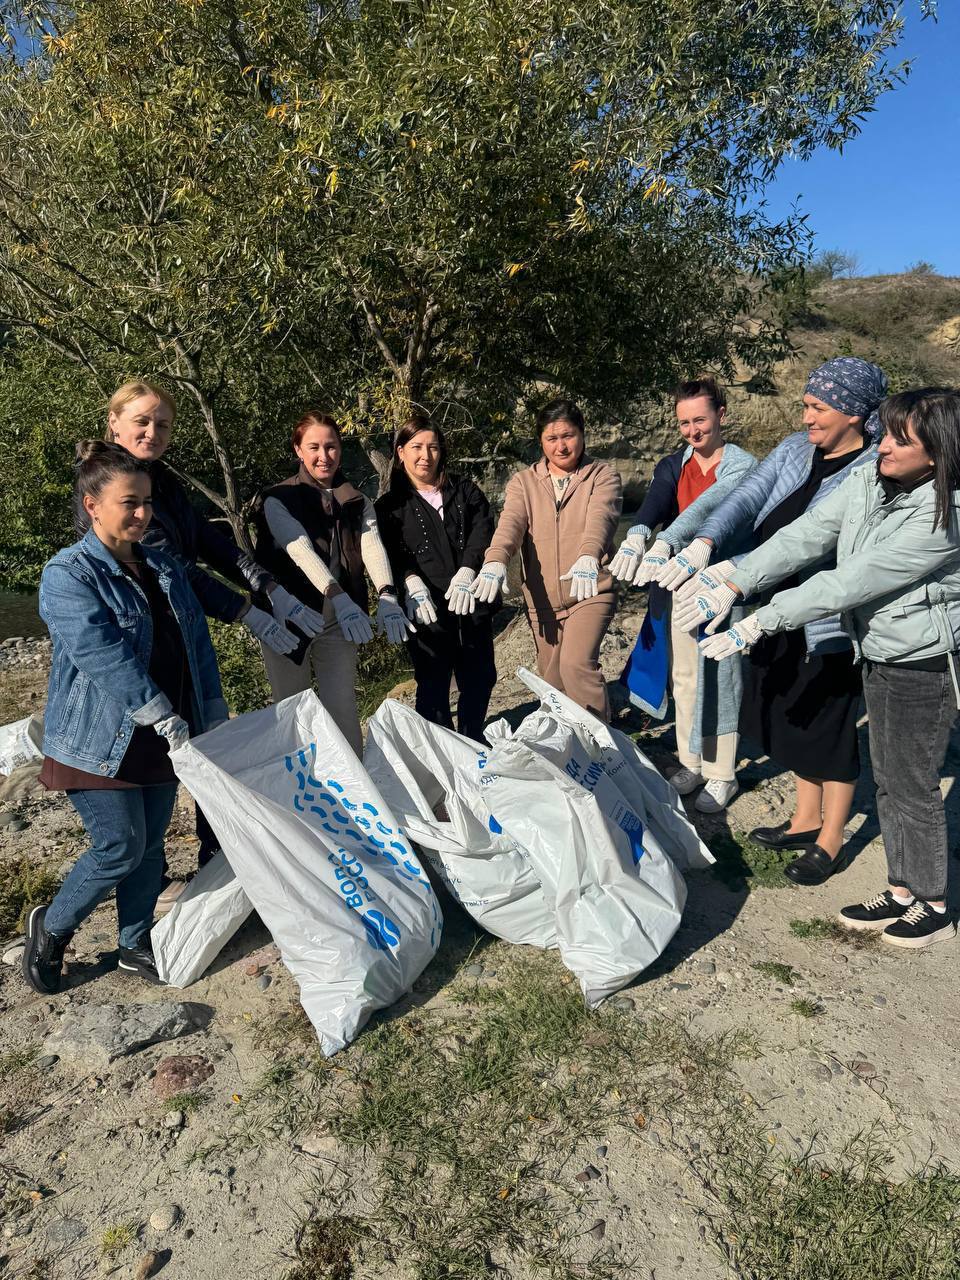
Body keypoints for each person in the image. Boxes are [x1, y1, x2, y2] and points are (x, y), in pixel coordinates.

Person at [699, 388, 960, 948]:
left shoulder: (945, 514)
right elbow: (807, 534)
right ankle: (901, 889)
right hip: (879, 650)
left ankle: (933, 904)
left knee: (912, 784)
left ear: (938, 452)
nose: (883, 446)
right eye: (886, 434)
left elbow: (854, 579)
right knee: (889, 779)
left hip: (923, 663)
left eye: (900, 440)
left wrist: (761, 620)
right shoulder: (873, 481)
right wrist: (737, 580)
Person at [671, 356, 888, 883]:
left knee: (830, 724)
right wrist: (705, 542)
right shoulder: (795, 449)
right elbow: (746, 496)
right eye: (806, 405)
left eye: (818, 408)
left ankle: (831, 839)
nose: (807, 417)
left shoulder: (871, 470)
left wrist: (737, 569)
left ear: (853, 413)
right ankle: (805, 817)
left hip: (826, 618)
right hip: (770, 606)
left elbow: (816, 543)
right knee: (793, 711)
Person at [22, 442, 226, 995]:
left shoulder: (163, 565)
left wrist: (210, 712)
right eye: (129, 503)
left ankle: (134, 942)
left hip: (166, 732)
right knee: (120, 845)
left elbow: (197, 646)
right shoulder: (68, 573)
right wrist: (158, 711)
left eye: (148, 502)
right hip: (98, 739)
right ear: (92, 505)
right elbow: (100, 652)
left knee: (152, 845)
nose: (142, 514)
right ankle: (52, 927)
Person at [107, 380, 323, 880]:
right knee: (152, 763)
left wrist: (267, 585)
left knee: (209, 744)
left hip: (183, 636)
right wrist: (247, 612)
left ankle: (217, 857)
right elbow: (171, 565)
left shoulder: (162, 480)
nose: (153, 432)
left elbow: (208, 540)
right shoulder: (110, 486)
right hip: (141, 643)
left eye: (163, 424)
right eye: (142, 421)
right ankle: (152, 881)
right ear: (114, 423)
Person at [610, 377, 756, 812]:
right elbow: (656, 500)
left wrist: (666, 541)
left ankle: (722, 772)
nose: (693, 430)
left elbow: (710, 510)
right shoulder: (675, 464)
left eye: (700, 420)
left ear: (721, 415)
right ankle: (691, 760)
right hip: (677, 580)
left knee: (723, 675)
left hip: (723, 581)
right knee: (685, 675)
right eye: (684, 423)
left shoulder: (744, 467)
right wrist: (638, 532)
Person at [253, 411, 413, 756]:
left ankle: (355, 783)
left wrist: (387, 595)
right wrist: (337, 595)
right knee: (293, 711)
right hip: (288, 617)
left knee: (342, 710)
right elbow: (300, 549)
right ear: (298, 450)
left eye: (331, 446)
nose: (323, 456)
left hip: (340, 621)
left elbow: (371, 546)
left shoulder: (356, 499)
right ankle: (303, 785)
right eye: (314, 447)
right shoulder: (278, 498)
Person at [472, 399, 622, 720]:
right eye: (552, 438)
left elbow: (602, 518)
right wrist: (496, 560)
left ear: (582, 434)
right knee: (553, 680)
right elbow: (511, 524)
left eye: (568, 436)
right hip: (542, 601)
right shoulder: (523, 482)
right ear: (540, 441)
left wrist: (588, 555)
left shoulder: (602, 475)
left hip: (589, 589)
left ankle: (602, 740)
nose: (561, 446)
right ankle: (570, 741)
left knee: (576, 665)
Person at [374, 415, 496, 743]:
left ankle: (474, 741)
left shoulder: (464, 490)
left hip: (471, 600)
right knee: (432, 684)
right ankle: (442, 748)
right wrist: (410, 581)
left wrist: (469, 569)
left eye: (433, 447)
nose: (425, 455)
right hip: (426, 610)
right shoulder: (389, 506)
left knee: (481, 677)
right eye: (416, 447)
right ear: (401, 452)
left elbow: (484, 530)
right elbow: (389, 552)